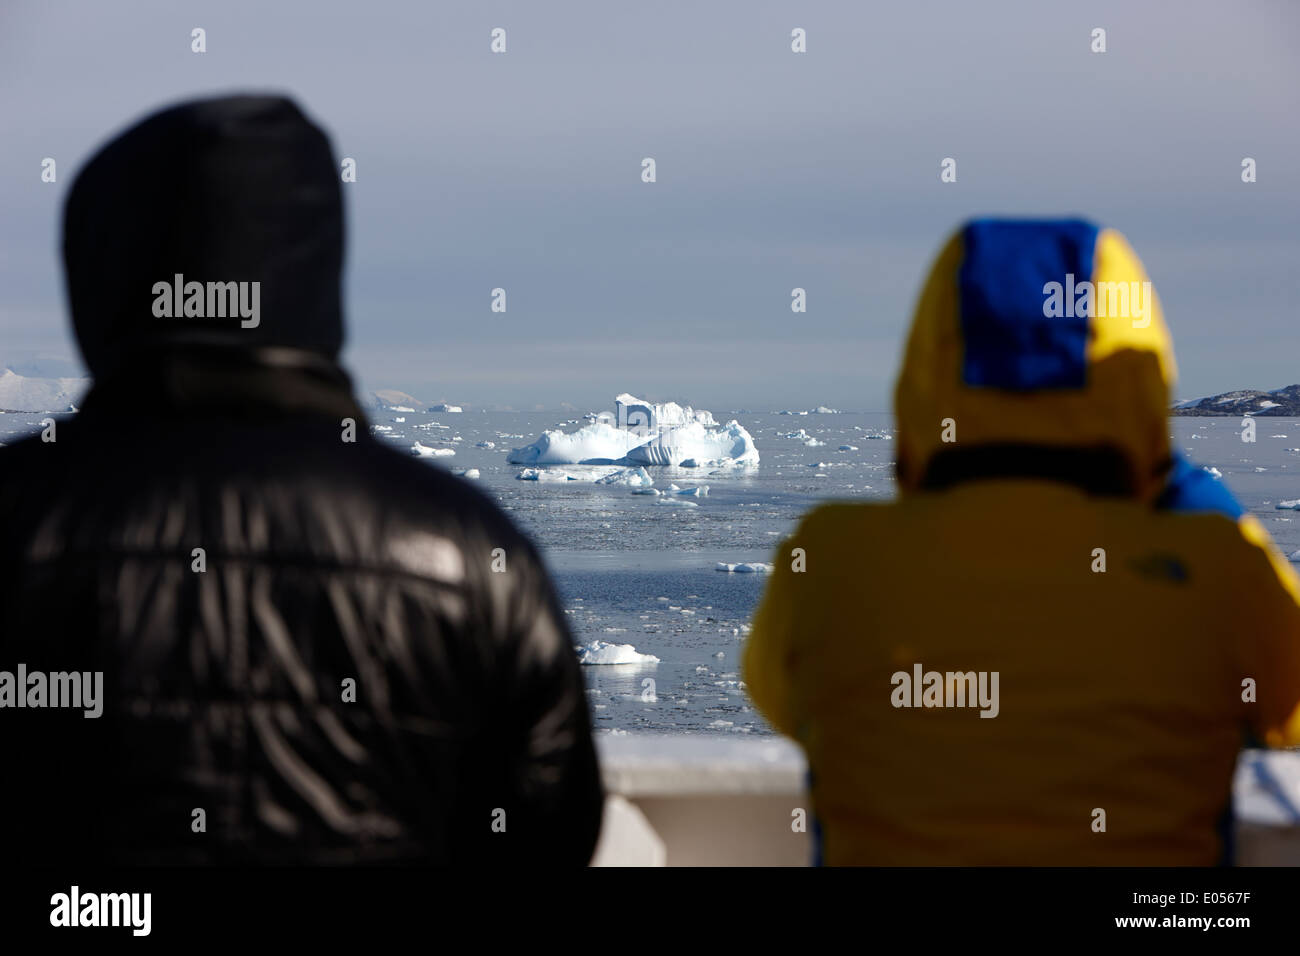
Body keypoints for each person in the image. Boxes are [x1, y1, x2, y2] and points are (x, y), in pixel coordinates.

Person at [0, 95, 602, 865]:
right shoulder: (467, 554)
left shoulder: (17, 519)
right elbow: (551, 828)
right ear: (316, 272)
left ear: (102, 272)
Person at [744, 218, 1300, 865]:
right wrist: (1204, 512)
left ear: (927, 368)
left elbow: (779, 698)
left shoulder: (831, 561)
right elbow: (1288, 713)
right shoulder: (1218, 570)